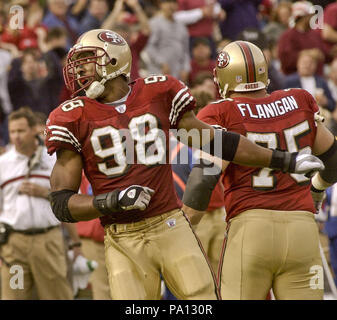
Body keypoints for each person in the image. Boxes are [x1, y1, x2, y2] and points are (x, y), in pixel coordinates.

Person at [44, 29, 323, 300]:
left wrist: (285, 160)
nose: (78, 71)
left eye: (87, 61)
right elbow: (61, 203)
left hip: (170, 224)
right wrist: (110, 201)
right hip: (121, 236)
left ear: (115, 60)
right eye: (77, 64)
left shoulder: (157, 93)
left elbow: (215, 142)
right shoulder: (71, 117)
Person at [182, 40, 337, 300]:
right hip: (302, 230)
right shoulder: (298, 100)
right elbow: (333, 160)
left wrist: (182, 229)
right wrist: (316, 189)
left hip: (251, 230)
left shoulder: (220, 112)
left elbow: (203, 179)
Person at [0, 107, 74, 300]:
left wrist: (45, 193)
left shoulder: (51, 160)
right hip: (13, 244)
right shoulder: (3, 164)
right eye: (13, 131)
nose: (16, 136)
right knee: (14, 295)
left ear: (34, 130)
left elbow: (72, 198)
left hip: (47, 240)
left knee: (56, 295)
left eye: (21, 131)